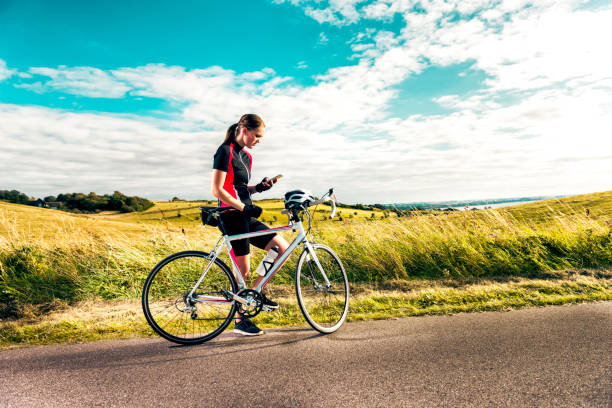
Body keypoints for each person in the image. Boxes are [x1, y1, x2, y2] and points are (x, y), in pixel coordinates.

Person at [211, 114, 289, 336]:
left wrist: (259, 188)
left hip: (245, 215)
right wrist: (243, 208)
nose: (258, 140)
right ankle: (240, 320)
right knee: (242, 270)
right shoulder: (224, 151)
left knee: (280, 249)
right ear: (244, 130)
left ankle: (254, 294)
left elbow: (240, 187)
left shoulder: (246, 156)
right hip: (232, 216)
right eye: (257, 136)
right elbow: (217, 190)